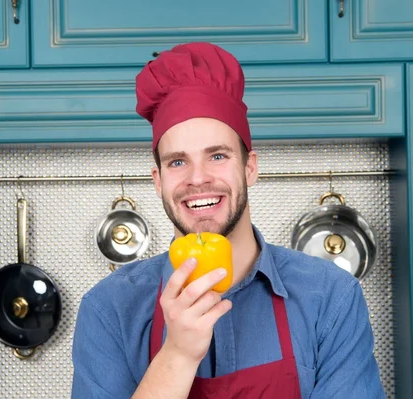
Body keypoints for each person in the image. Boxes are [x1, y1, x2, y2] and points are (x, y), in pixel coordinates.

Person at [71, 42, 386, 399]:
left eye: (217, 156)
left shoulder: (329, 298)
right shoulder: (110, 309)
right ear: (158, 180)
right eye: (177, 162)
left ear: (249, 168)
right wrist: (177, 355)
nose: (197, 178)